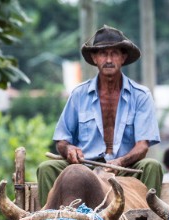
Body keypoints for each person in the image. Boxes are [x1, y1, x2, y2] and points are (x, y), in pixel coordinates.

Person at [37, 25, 162, 206]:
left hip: (125, 168)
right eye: (103, 54)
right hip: (84, 167)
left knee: (152, 166)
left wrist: (119, 163)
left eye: (114, 54)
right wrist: (70, 150)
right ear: (95, 58)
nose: (109, 59)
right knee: (46, 168)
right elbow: (62, 141)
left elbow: (142, 146)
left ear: (123, 57)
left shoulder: (141, 95)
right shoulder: (79, 94)